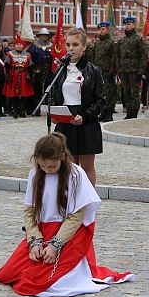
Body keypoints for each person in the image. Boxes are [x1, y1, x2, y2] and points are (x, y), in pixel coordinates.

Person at [0, 133, 135, 297]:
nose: (46, 170)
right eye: (42, 166)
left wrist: (55, 245)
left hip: (70, 233)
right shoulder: (35, 174)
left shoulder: (75, 175)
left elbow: (77, 216)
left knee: (41, 281)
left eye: (52, 167)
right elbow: (30, 211)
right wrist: (34, 242)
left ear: (62, 158)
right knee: (9, 273)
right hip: (42, 232)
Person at [50, 28, 105, 186]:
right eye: (68, 44)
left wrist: (86, 116)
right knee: (69, 166)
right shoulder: (61, 69)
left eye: (75, 44)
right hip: (66, 121)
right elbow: (54, 94)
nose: (71, 48)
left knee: (86, 167)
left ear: (84, 46)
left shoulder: (93, 71)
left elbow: (101, 100)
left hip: (86, 121)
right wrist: (54, 113)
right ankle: (70, 200)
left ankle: (88, 204)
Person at [117, 16, 147, 119]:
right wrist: (119, 69)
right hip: (124, 70)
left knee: (134, 93)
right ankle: (129, 111)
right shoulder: (123, 40)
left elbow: (144, 55)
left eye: (129, 24)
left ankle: (134, 112)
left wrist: (141, 70)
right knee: (126, 92)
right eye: (126, 24)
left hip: (134, 70)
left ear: (134, 25)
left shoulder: (138, 39)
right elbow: (119, 56)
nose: (127, 26)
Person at [3, 38, 35, 118]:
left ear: (23, 45)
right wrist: (6, 76)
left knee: (24, 94)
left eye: (20, 44)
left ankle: (22, 110)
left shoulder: (27, 54)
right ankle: (15, 110)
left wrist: (32, 76)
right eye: (17, 44)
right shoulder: (9, 54)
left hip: (24, 76)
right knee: (14, 94)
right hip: (13, 76)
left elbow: (30, 66)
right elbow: (6, 66)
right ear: (14, 45)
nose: (19, 46)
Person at [92, 22, 118, 122]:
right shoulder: (97, 43)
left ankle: (109, 114)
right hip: (98, 72)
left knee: (109, 93)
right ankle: (102, 112)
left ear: (107, 30)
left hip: (108, 72)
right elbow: (94, 58)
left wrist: (112, 71)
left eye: (103, 29)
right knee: (100, 93)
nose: (101, 31)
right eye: (100, 29)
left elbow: (114, 57)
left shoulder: (111, 43)